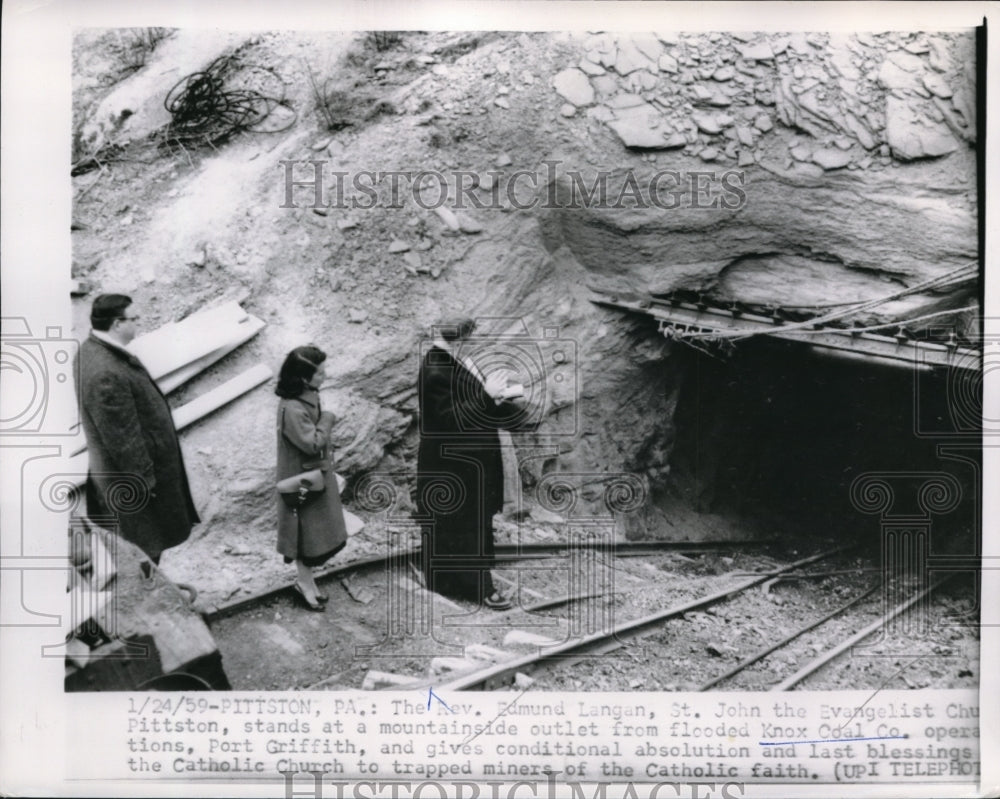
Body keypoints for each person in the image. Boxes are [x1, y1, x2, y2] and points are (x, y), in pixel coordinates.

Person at [416, 318, 531, 611]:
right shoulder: (435, 369)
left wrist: (507, 401)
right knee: (463, 526)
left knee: (462, 525)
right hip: (452, 465)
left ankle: (444, 581)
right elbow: (449, 419)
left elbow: (470, 408)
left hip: (464, 462)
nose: (476, 343)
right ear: (461, 339)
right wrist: (486, 395)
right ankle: (480, 588)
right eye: (472, 337)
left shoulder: (454, 361)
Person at [75, 294, 199, 564]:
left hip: (125, 480)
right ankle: (152, 600)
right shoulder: (106, 372)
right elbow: (122, 438)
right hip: (136, 486)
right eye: (134, 318)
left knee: (142, 549)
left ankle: (152, 593)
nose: (139, 323)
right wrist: (146, 483)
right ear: (117, 323)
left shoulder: (92, 351)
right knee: (144, 549)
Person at [275, 345, 348, 611]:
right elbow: (312, 443)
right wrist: (329, 417)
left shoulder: (306, 396)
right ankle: (304, 584)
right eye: (320, 372)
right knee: (305, 536)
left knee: (314, 535)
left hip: (312, 474)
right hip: (303, 480)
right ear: (304, 378)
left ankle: (308, 582)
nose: (325, 375)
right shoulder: (293, 408)